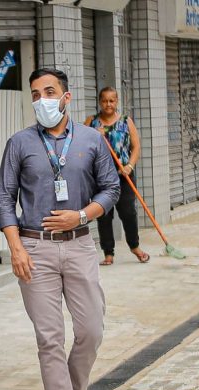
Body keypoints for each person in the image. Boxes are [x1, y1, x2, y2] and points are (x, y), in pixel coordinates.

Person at [0, 67, 120, 390]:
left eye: (49, 92)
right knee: (49, 338)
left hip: (80, 243)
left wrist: (81, 216)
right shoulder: (19, 143)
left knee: (91, 330)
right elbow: (4, 198)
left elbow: (111, 187)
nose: (41, 100)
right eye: (35, 94)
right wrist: (15, 248)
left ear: (66, 97)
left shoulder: (92, 139)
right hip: (35, 247)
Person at [84, 87, 149, 265]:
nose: (108, 104)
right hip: (100, 177)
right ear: (99, 102)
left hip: (123, 175)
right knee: (104, 215)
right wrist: (93, 136)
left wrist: (130, 165)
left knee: (128, 212)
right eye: (104, 101)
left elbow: (136, 147)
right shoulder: (91, 122)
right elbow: (81, 146)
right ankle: (108, 253)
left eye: (111, 100)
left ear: (117, 101)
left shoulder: (126, 121)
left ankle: (134, 246)